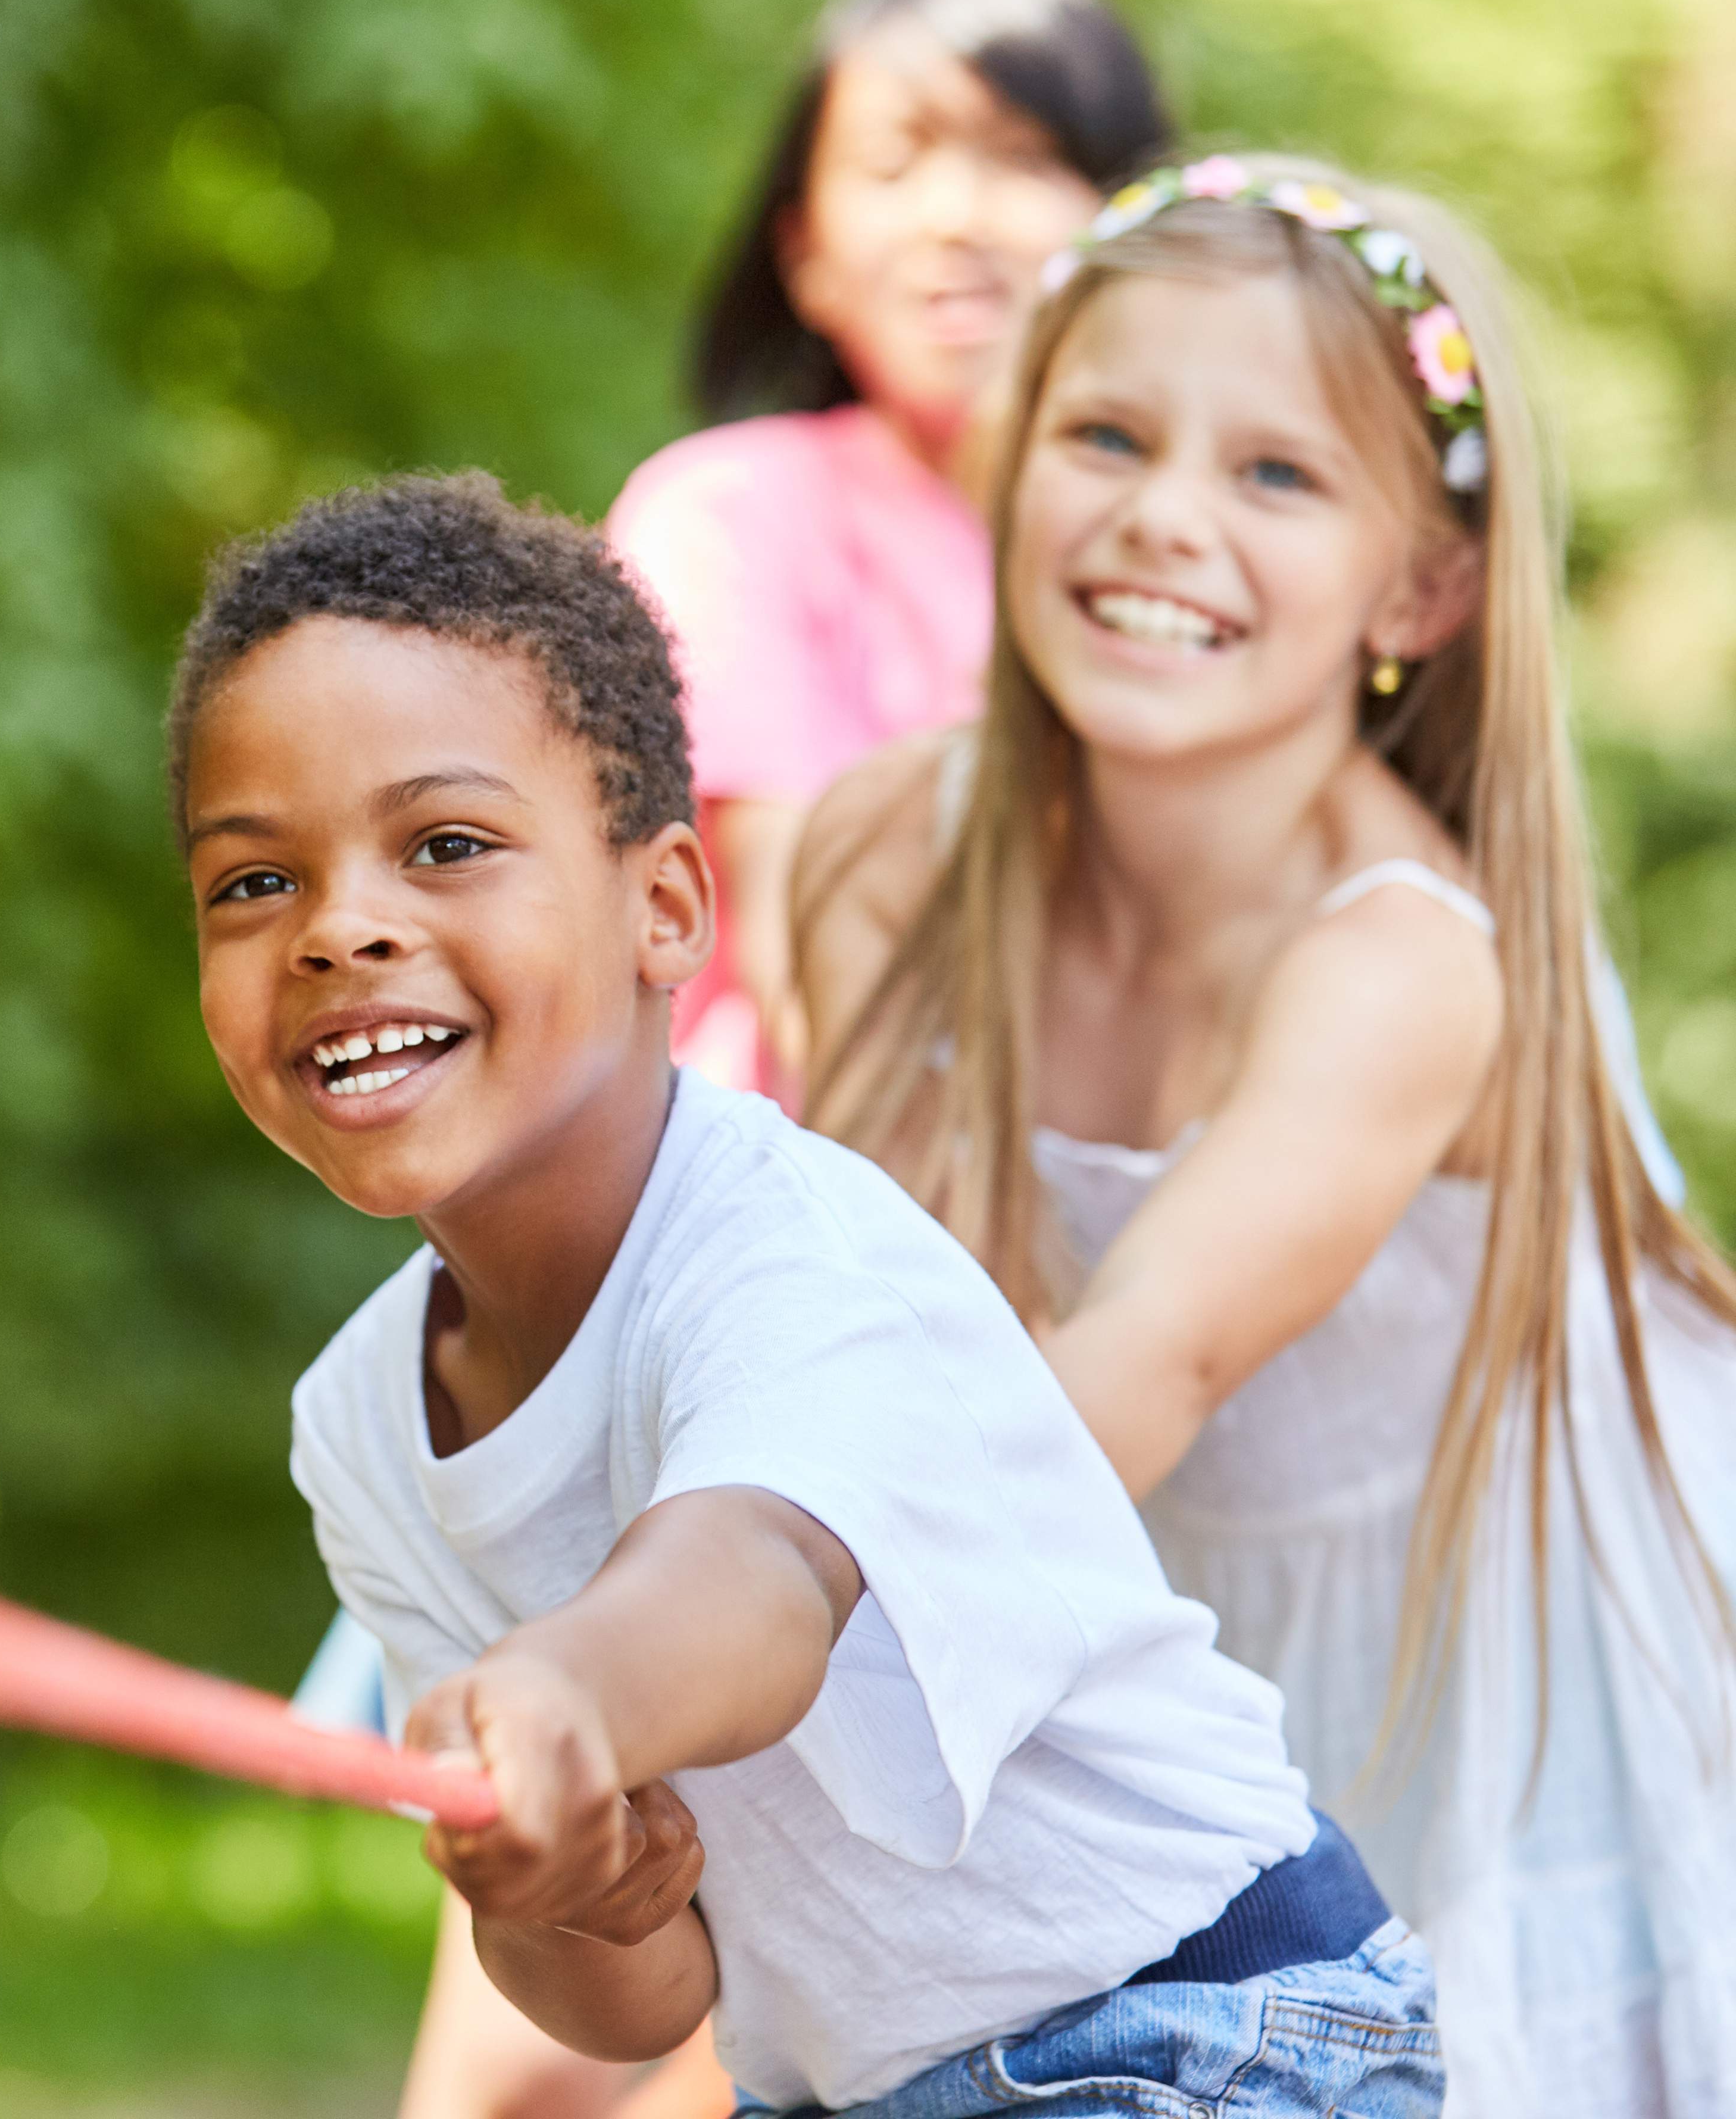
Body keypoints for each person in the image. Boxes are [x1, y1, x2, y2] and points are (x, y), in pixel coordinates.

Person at [178, 472, 1441, 2117]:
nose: (342, 928)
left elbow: (758, 1578)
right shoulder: (361, 1431)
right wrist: (562, 1891)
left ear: (668, 908)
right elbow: (647, 1998)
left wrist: (570, 1693)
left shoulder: (795, 1255)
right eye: (252, 883)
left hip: (1203, 2032)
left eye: (449, 845)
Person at [794, 154, 1736, 2110]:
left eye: (1273, 475)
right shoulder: (884, 849)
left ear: (1420, 587)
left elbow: (1114, 1389)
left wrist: (709, 1656)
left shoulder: (1396, 963)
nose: (1162, 519)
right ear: (1006, 465)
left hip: (1506, 1643)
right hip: (1158, 1606)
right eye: (1107, 435)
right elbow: (860, 1339)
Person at [614, 0, 1163, 1100]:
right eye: (893, 161)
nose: (954, 214)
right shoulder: (727, 518)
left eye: (1022, 157)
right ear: (806, 253)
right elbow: (811, 954)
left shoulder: (1185, 546)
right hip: (833, 1207)